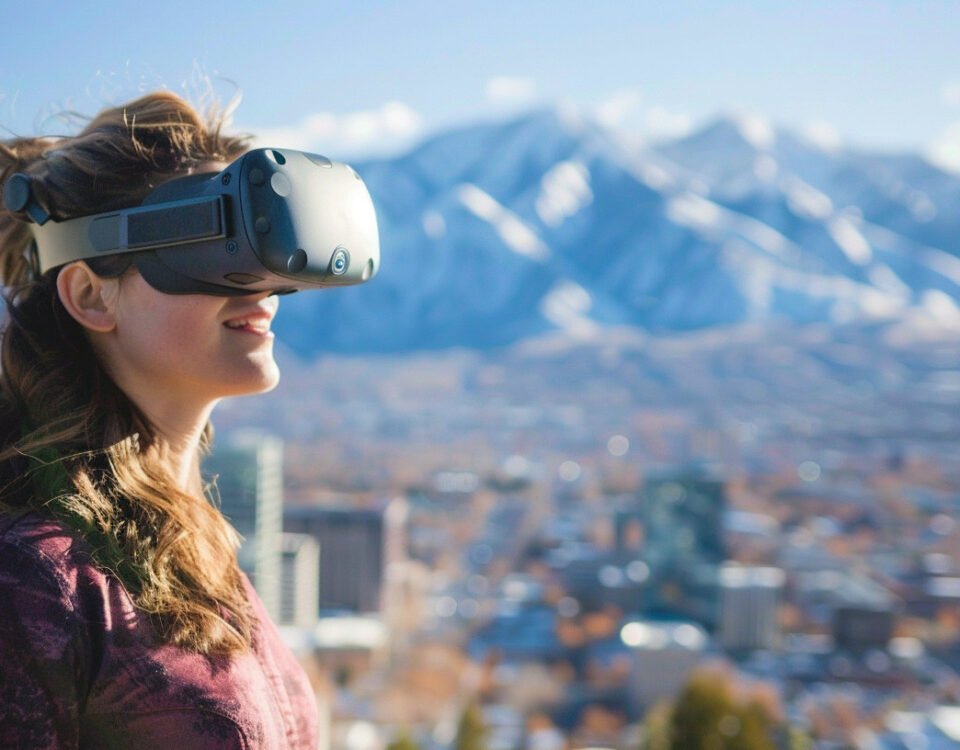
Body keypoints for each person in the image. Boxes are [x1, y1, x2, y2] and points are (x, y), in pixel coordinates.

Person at [0, 92, 319, 748]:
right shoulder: (34, 581)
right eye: (209, 243)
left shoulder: (196, 546)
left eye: (259, 243)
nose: (259, 284)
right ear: (91, 295)